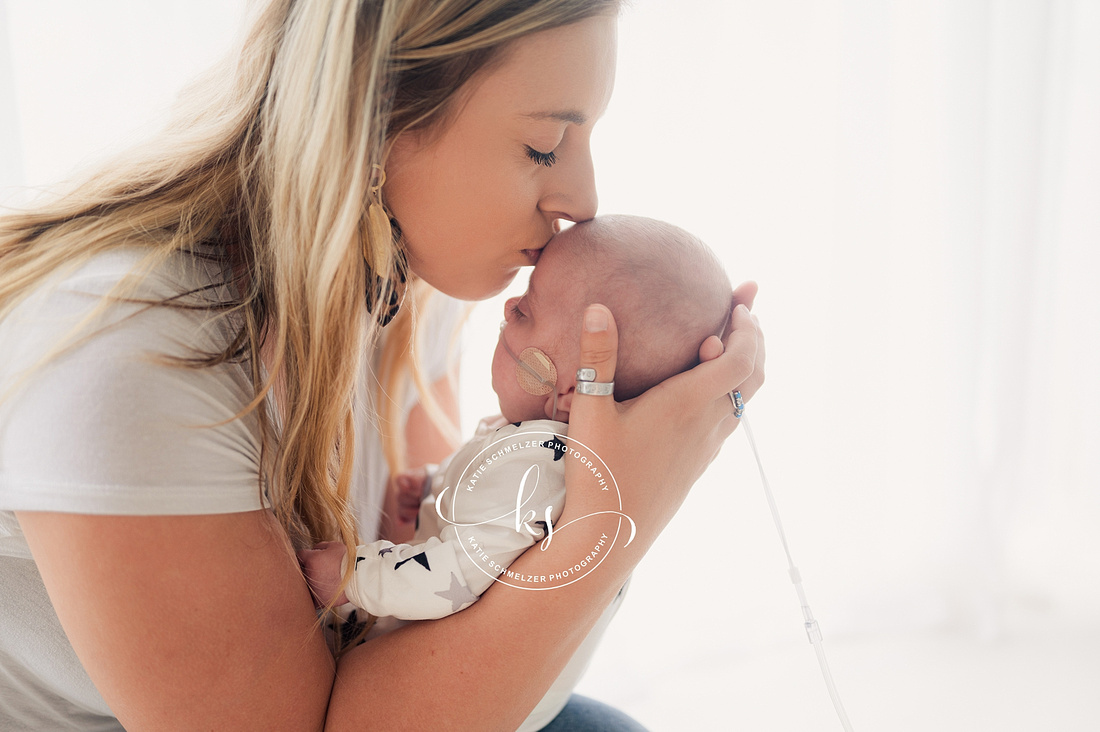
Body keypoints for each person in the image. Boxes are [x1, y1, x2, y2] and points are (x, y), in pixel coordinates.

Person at [0, 2, 764, 730]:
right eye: (543, 145)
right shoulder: (137, 354)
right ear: (376, 115)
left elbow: (424, 614)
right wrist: (617, 518)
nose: (583, 200)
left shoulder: (410, 288)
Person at [300, 214, 732, 730]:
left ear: (570, 391)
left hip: (489, 703)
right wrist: (434, 489)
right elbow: (491, 539)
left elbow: (454, 578)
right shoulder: (552, 449)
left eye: (526, 310)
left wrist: (355, 579)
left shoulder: (534, 471)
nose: (508, 307)